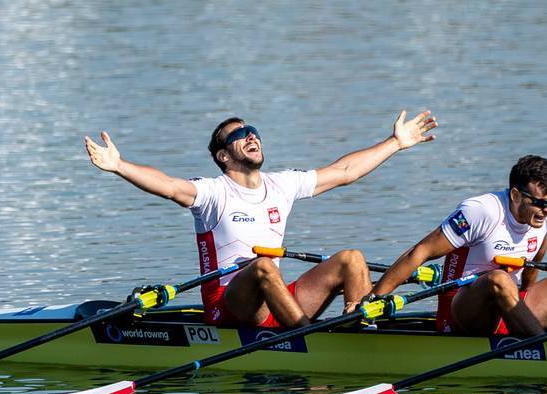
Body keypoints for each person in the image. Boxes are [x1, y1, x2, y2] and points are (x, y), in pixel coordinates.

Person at [84, 110, 438, 328]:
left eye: (251, 130)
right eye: (238, 135)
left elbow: (344, 171)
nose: (249, 135)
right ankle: (308, 343)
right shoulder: (212, 193)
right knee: (264, 265)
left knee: (352, 259)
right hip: (230, 306)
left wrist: (394, 142)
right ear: (224, 155)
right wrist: (119, 166)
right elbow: (168, 186)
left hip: (275, 302)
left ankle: (363, 335)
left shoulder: (281, 185)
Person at [370, 155, 547, 336]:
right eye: (539, 203)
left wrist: (528, 293)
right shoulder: (480, 211)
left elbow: (537, 252)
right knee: (499, 279)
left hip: (513, 303)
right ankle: (544, 350)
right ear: (516, 196)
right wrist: (374, 299)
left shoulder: (546, 212)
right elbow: (420, 252)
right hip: (462, 311)